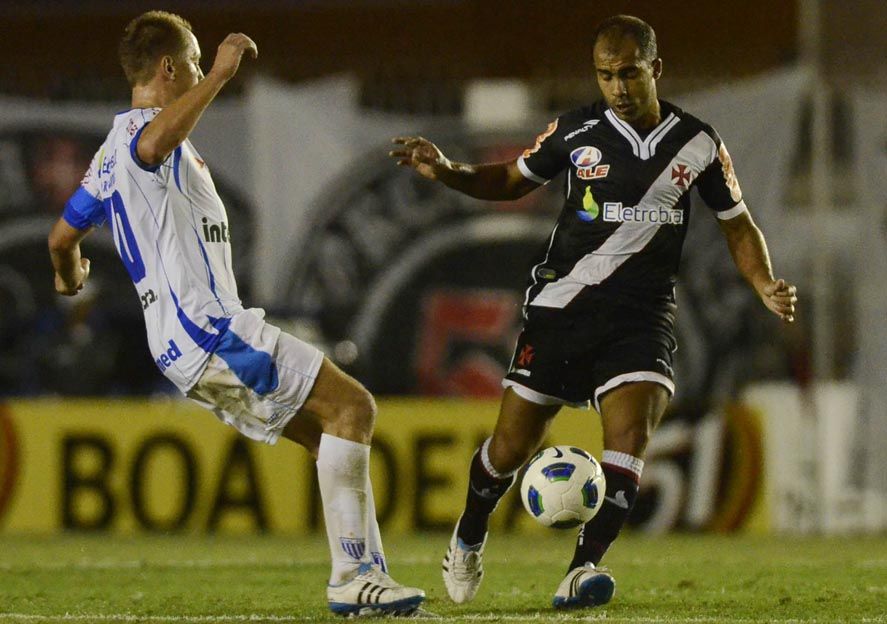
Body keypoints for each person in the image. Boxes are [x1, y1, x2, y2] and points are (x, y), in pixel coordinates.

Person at [390, 14, 797, 611]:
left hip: (642, 317)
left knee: (630, 439)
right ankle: (469, 535)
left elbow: (738, 223)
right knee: (508, 448)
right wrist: (449, 171)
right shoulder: (576, 131)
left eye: (629, 73)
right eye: (606, 75)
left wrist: (761, 281)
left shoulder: (699, 143)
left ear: (654, 69)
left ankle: (582, 570)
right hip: (562, 309)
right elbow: (510, 180)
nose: (618, 87)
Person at [47, 11, 424, 617]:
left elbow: (61, 238)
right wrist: (220, 74)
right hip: (213, 331)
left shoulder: (108, 156)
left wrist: (71, 279)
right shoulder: (145, 137)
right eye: (193, 62)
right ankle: (354, 576)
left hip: (182, 348)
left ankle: (362, 578)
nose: (200, 70)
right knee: (354, 407)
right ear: (170, 68)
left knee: (332, 429)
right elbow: (154, 142)